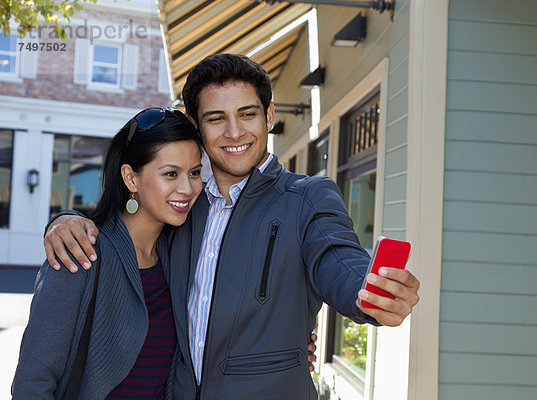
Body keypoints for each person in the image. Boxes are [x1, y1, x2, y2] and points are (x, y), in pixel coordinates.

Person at [43, 54, 420, 399]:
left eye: (248, 114)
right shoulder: (182, 209)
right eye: (216, 118)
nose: (235, 132)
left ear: (269, 115)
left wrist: (368, 292)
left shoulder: (308, 199)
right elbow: (129, 226)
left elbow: (337, 258)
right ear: (196, 126)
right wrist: (65, 220)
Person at [12, 108, 204, 399]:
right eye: (171, 174)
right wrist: (62, 219)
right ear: (131, 178)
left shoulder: (177, 255)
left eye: (194, 173)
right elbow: (33, 383)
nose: (187, 188)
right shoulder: (80, 251)